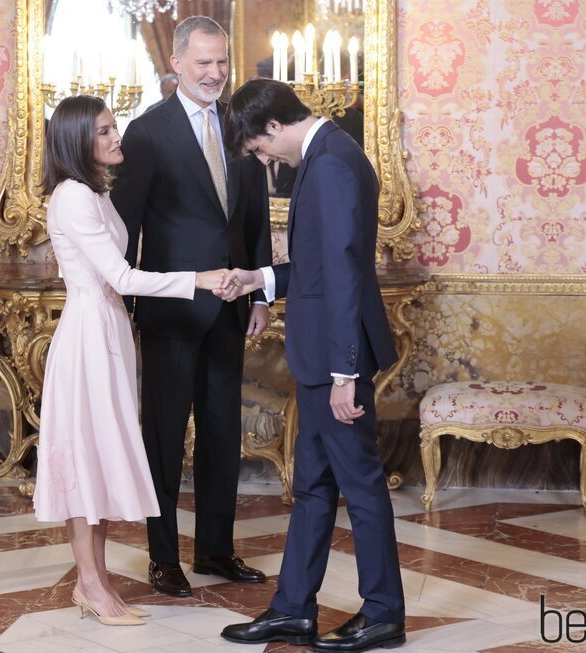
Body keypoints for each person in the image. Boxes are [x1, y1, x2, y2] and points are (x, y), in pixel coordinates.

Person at [215, 78, 406, 651]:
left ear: (272, 126)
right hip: (322, 357)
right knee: (314, 486)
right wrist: (262, 280)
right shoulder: (328, 156)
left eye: (257, 148)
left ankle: (384, 614)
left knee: (361, 487)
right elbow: (319, 269)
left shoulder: (329, 164)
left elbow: (346, 272)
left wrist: (347, 372)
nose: (262, 158)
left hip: (333, 362)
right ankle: (294, 608)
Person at [32, 95, 228, 626]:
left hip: (111, 329)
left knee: (97, 457)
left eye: (112, 127)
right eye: (104, 131)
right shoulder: (73, 196)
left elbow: (123, 268)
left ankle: (89, 582)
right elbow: (120, 277)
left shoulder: (96, 192)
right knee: (83, 461)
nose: (117, 137)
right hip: (89, 334)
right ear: (77, 141)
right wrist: (199, 279)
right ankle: (92, 585)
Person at [110, 15, 272, 597]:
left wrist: (256, 294)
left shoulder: (239, 128)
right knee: (163, 436)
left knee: (222, 435)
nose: (216, 74)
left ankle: (216, 551)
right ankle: (162, 557)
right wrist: (124, 305)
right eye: (203, 63)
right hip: (171, 311)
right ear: (177, 63)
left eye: (222, 62)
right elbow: (126, 229)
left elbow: (251, 218)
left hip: (230, 309)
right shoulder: (146, 132)